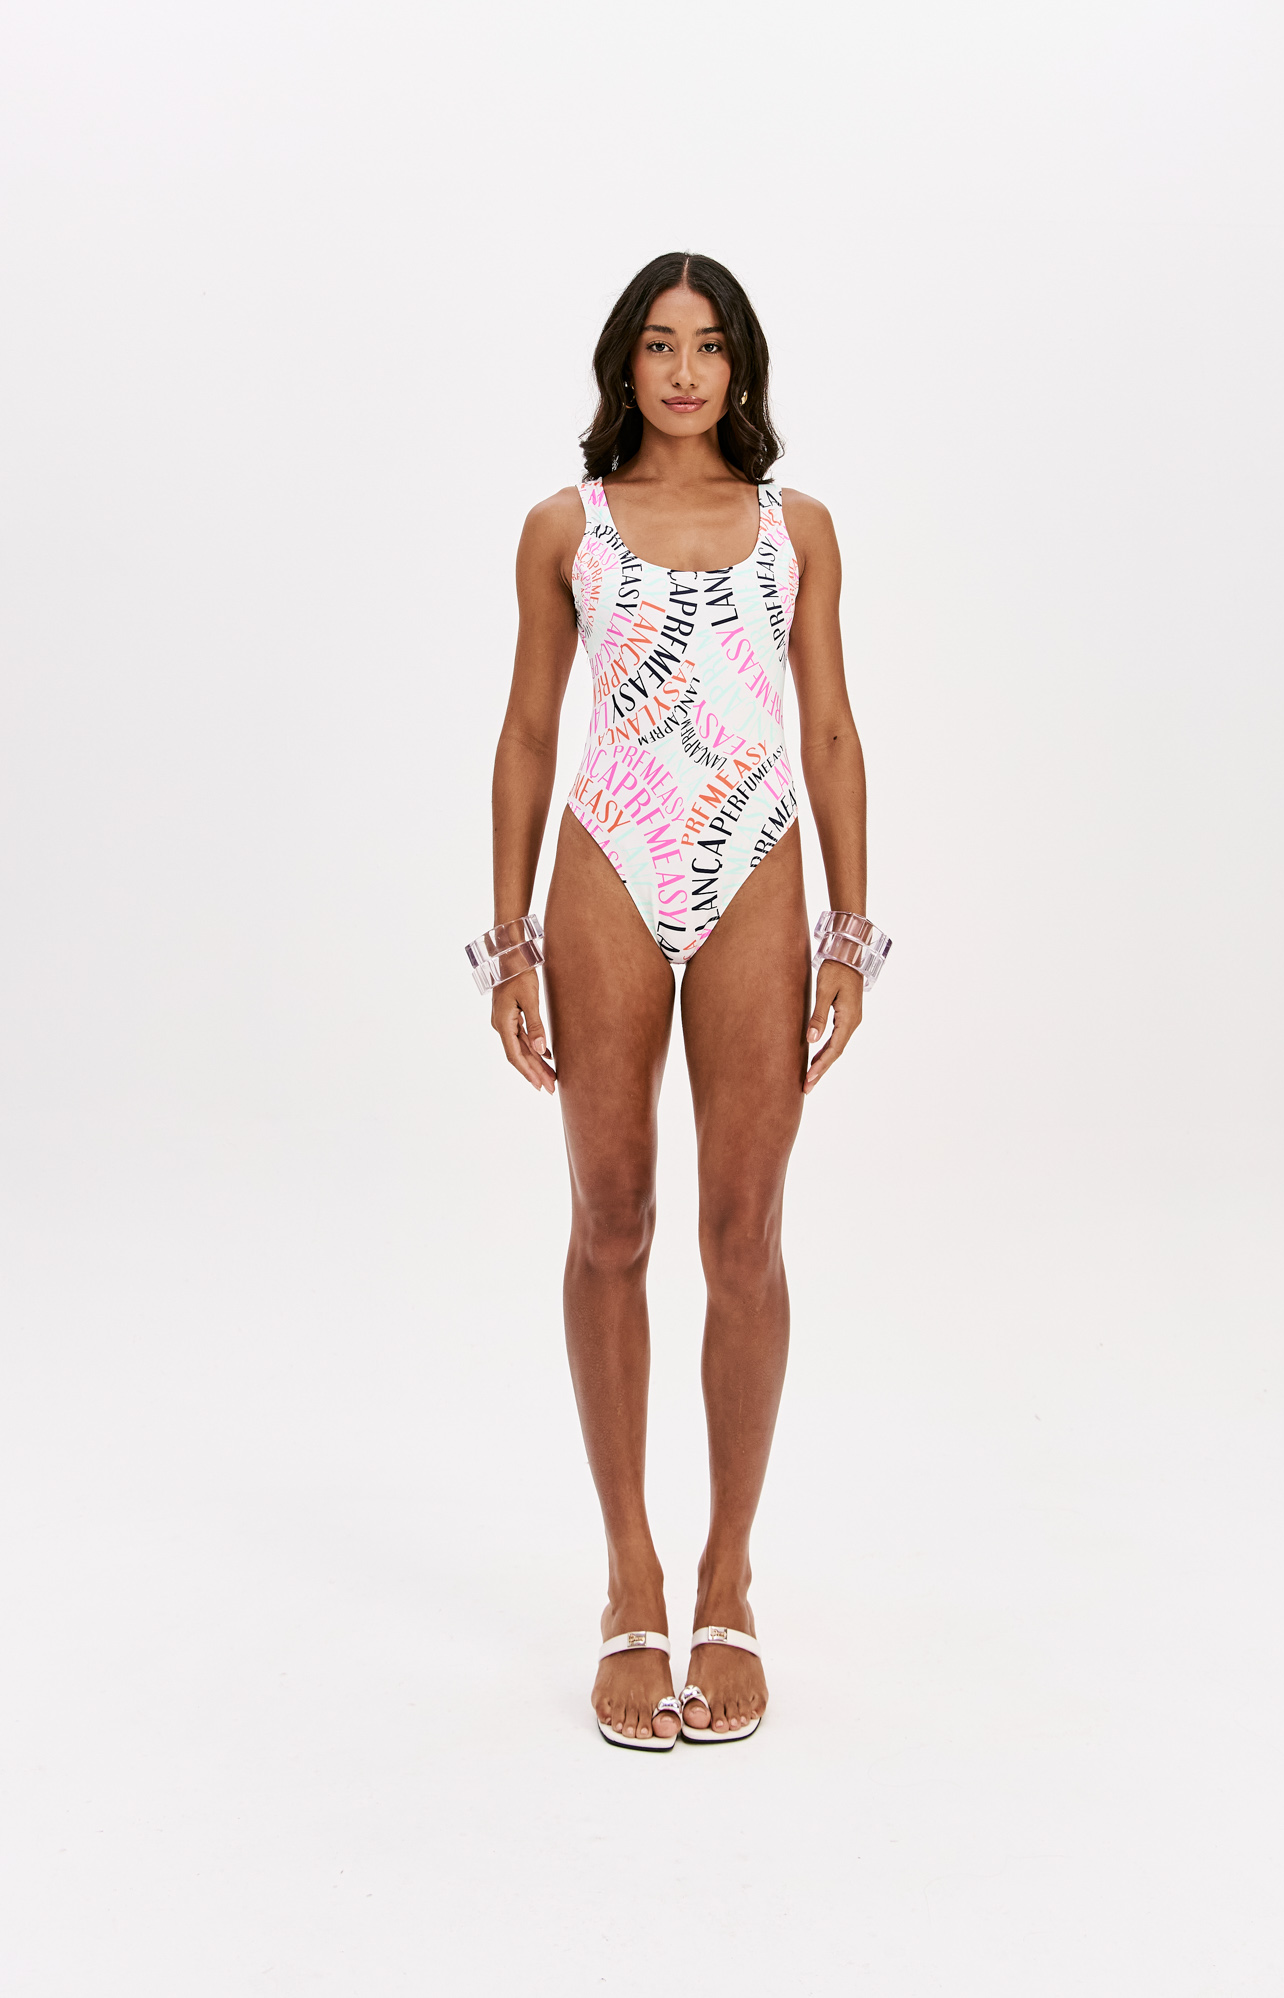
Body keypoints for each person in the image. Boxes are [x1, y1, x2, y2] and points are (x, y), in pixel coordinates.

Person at [470, 251, 890, 1750]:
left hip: (757, 861)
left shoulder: (797, 530)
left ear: (743, 366)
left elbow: (827, 727)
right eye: (659, 345)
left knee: (743, 1231)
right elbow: (529, 730)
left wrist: (850, 931)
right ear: (625, 366)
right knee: (611, 1218)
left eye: (710, 346)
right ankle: (630, 1570)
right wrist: (509, 943)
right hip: (609, 860)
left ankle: (729, 1572)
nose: (687, 371)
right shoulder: (565, 527)